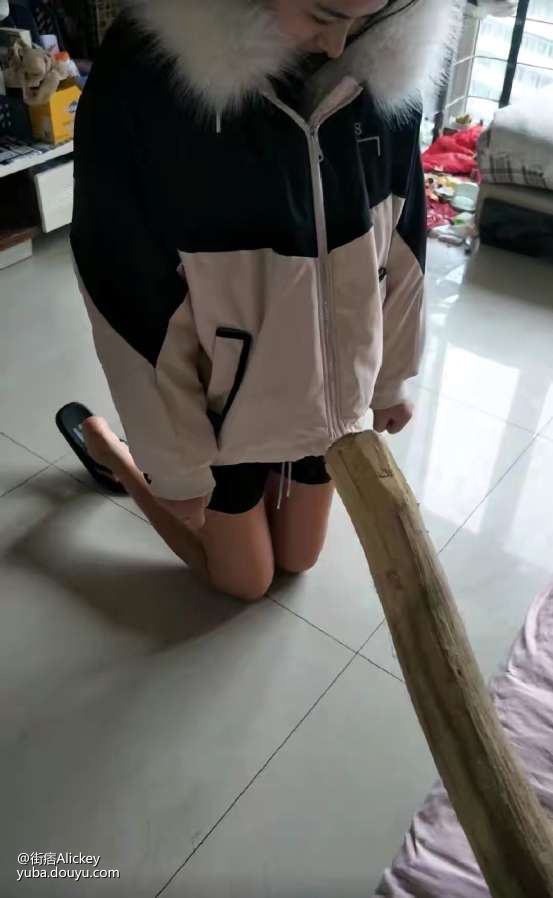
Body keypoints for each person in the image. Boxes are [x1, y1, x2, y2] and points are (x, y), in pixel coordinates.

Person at [63, 0, 458, 601]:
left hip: (330, 401)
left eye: (367, 15)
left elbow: (404, 241)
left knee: (299, 558)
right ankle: (114, 453)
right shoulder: (142, 85)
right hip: (222, 415)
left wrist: (392, 379)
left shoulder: (384, 55)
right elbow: (125, 299)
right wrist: (174, 465)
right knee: (246, 581)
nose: (339, 46)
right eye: (324, 13)